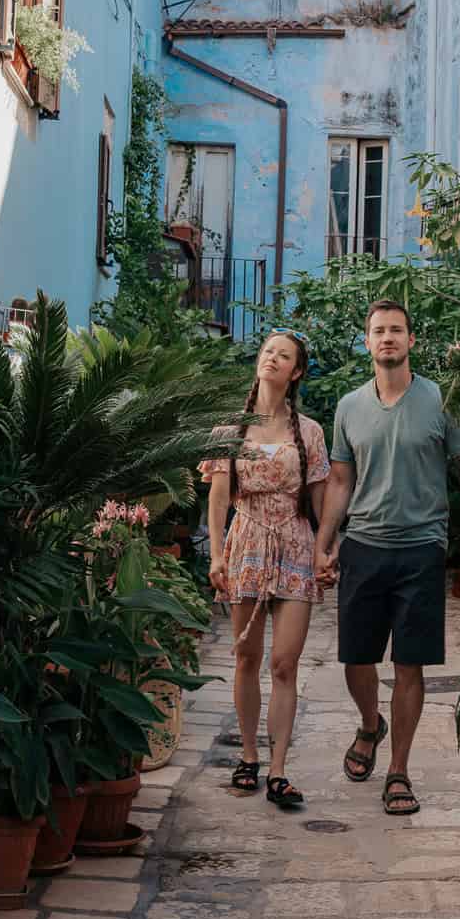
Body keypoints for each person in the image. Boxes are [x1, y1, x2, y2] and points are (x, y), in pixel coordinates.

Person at [314, 299, 460, 816]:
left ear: (412, 340)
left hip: (422, 547)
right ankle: (370, 724)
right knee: (356, 659)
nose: (387, 337)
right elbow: (340, 480)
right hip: (364, 546)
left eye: (396, 330)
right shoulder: (348, 407)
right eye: (378, 331)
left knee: (410, 664)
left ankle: (399, 770)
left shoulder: (442, 399)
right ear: (367, 343)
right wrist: (325, 543)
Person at [201, 330, 330, 810]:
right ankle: (249, 756)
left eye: (284, 356)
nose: (272, 359)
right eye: (267, 352)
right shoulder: (229, 428)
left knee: (284, 664)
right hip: (246, 543)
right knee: (246, 658)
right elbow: (217, 499)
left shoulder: (311, 432)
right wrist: (216, 555)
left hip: (295, 545)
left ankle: (278, 771)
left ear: (296, 371)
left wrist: (325, 549)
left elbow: (319, 498)